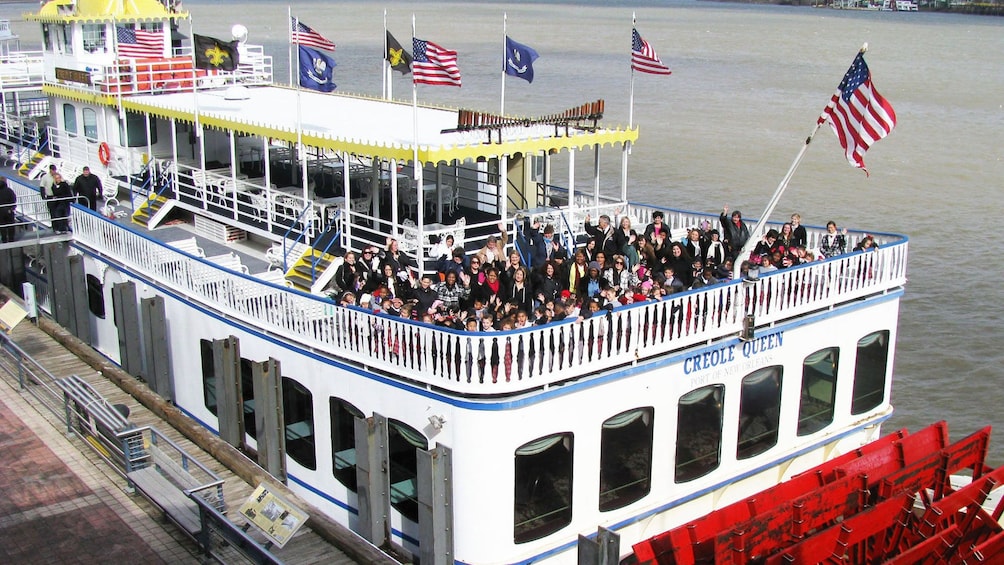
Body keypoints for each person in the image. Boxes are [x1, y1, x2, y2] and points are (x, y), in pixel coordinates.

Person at [0, 178, 16, 243]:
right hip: (9, 210)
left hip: (0, 211)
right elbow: (13, 199)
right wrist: (12, 208)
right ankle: (11, 238)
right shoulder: (9, 191)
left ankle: (4, 239)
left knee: (2, 226)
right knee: (11, 224)